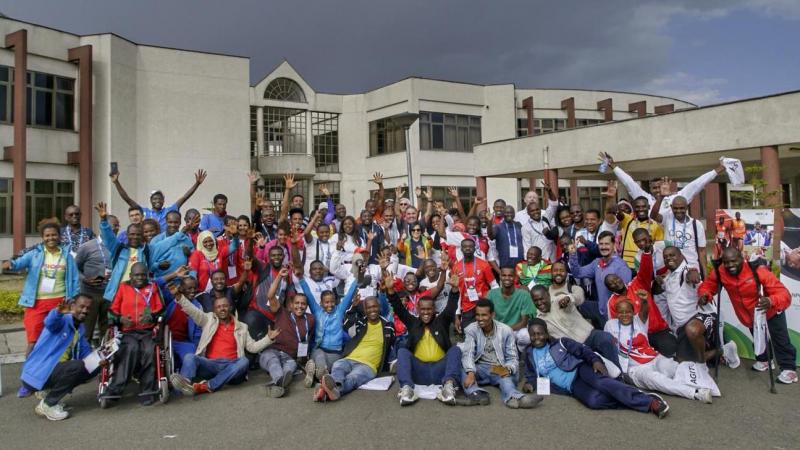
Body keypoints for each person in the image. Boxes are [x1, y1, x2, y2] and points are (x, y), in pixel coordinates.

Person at [524, 318, 670, 418]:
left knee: (603, 383)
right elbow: (531, 374)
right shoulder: (529, 353)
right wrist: (530, 384)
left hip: (580, 370)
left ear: (546, 333)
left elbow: (582, 350)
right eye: (533, 335)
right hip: (571, 386)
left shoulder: (561, 343)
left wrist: (595, 361)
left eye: (540, 333)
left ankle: (651, 403)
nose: (537, 337)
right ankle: (638, 399)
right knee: (594, 401)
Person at [698, 247, 797, 384]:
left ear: (742, 259)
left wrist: (770, 300)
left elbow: (783, 294)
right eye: (726, 262)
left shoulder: (757, 270)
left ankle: (789, 369)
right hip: (750, 314)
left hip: (770, 308)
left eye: (734, 261)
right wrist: (705, 295)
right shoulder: (720, 272)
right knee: (758, 337)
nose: (730, 265)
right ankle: (764, 361)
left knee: (780, 339)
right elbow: (708, 286)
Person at [604, 296, 714, 403]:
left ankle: (704, 384)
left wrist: (644, 300)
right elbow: (606, 346)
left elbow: (645, 310)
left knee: (677, 368)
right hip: (635, 369)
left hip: (655, 359)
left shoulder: (639, 320)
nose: (624, 315)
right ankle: (695, 393)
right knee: (658, 380)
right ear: (616, 313)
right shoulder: (610, 325)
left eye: (627, 311)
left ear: (633, 312)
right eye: (621, 312)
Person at [170, 292, 281, 396]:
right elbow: (193, 311)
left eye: (225, 306)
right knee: (190, 357)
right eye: (218, 307)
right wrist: (180, 297)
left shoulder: (242, 327)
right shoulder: (208, 320)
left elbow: (252, 347)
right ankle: (185, 384)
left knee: (244, 361)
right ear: (214, 310)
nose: (222, 309)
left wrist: (268, 339)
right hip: (211, 364)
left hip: (232, 365)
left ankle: (207, 386)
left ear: (230, 308)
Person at [2, 222, 80, 365]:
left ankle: (54, 376)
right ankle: (29, 379)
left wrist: (73, 301)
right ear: (42, 237)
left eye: (54, 234)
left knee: (59, 341)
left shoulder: (67, 255)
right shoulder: (35, 254)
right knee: (33, 341)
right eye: (47, 235)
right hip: (36, 304)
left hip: (60, 304)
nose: (51, 238)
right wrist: (9, 264)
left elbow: (74, 279)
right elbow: (18, 263)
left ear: (59, 236)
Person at [385, 271, 462, 406]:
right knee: (402, 351)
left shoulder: (441, 321)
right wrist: (390, 290)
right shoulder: (412, 322)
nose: (426, 313)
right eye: (423, 310)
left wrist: (455, 289)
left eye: (429, 309)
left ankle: (448, 387)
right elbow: (398, 308)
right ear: (417, 309)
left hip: (440, 370)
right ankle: (407, 389)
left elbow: (451, 307)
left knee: (455, 349)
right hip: (419, 372)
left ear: (434, 309)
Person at [19, 295, 100, 420]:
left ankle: (50, 393)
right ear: (72, 306)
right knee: (77, 366)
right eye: (82, 306)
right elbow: (50, 322)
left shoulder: (80, 328)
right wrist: (57, 312)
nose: (85, 310)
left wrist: (101, 358)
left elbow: (86, 353)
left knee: (93, 366)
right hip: (38, 373)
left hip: (54, 371)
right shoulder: (62, 320)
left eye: (88, 308)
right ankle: (48, 404)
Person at [529, 262, 621, 368]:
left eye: (542, 299)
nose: (540, 303)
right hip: (574, 349)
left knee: (606, 338)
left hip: (588, 336)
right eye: (536, 301)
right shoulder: (539, 320)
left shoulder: (559, 300)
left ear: (548, 295)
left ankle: (619, 375)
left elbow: (576, 298)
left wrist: (568, 299)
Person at [459, 299, 542, 409]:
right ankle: (476, 394)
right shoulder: (471, 329)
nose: (480, 319)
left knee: (505, 379)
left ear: (492, 315)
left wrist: (508, 369)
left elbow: (512, 357)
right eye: (477, 315)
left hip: (498, 367)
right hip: (480, 368)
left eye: (484, 315)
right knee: (463, 369)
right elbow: (468, 353)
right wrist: (470, 372)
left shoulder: (506, 330)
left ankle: (516, 398)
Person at [658, 246, 733, 365]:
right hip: (682, 326)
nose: (668, 258)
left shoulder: (685, 270)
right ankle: (719, 351)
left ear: (681, 256)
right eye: (665, 257)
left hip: (701, 316)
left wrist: (693, 274)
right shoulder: (668, 278)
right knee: (682, 362)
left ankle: (703, 359)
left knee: (692, 331)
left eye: (672, 255)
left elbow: (691, 272)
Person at [605, 231, 675, 356]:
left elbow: (644, 272)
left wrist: (647, 253)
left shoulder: (637, 284)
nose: (616, 283)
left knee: (672, 355)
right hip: (637, 338)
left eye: (616, 279)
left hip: (657, 332)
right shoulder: (611, 302)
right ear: (610, 288)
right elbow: (615, 326)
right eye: (612, 284)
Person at [103, 262, 165, 405]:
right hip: (128, 332)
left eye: (143, 275)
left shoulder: (153, 288)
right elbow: (112, 311)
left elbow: (162, 311)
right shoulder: (123, 287)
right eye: (137, 275)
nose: (140, 278)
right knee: (131, 349)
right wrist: (120, 319)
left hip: (147, 331)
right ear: (130, 276)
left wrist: (152, 317)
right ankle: (115, 389)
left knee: (149, 351)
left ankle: (147, 390)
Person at [317, 296, 395, 402]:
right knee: (338, 365)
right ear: (365, 310)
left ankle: (327, 391)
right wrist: (353, 307)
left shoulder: (388, 326)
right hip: (350, 358)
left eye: (374, 307)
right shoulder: (361, 323)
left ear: (379, 307)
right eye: (368, 308)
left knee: (353, 377)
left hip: (368, 365)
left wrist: (391, 363)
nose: (372, 310)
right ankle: (332, 390)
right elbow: (346, 325)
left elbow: (392, 346)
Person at [259, 268, 315, 398]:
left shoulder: (310, 319)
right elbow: (270, 296)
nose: (299, 306)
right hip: (272, 351)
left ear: (306, 306)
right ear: (291, 304)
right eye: (297, 303)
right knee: (273, 362)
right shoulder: (282, 313)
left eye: (303, 304)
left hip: (290, 357)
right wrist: (279, 276)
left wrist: (304, 358)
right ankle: (280, 380)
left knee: (289, 368)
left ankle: (278, 385)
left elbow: (308, 339)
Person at [297, 271, 359, 388]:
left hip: (335, 352)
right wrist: (300, 278)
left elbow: (350, 294)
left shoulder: (339, 311)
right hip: (319, 348)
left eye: (332, 301)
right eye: (326, 302)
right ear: (321, 303)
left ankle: (314, 373)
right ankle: (320, 375)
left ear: (336, 301)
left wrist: (358, 278)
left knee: (328, 367)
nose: (330, 304)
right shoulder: (317, 311)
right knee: (320, 358)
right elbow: (308, 294)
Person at [111, 169, 207, 230]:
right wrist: (116, 182)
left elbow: (185, 197)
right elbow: (127, 199)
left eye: (160, 199)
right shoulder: (144, 212)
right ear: (150, 200)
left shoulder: (170, 211)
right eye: (154, 199)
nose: (157, 201)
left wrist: (197, 184)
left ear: (163, 200)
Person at [73, 217, 118, 344]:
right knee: (87, 329)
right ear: (103, 227)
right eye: (112, 226)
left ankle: (104, 359)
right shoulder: (87, 247)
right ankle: (84, 359)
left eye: (117, 226)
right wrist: (85, 279)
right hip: (90, 294)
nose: (115, 228)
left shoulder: (118, 247)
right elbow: (75, 268)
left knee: (107, 329)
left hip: (110, 293)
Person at [568, 230, 630, 320]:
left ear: (613, 245)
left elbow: (626, 294)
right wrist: (573, 254)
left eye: (607, 244)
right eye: (601, 244)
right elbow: (578, 273)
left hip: (616, 315)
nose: (603, 247)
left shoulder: (621, 266)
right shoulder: (597, 262)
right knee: (573, 305)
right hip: (601, 310)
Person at [650, 184, 707, 271]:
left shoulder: (696, 225)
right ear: (671, 208)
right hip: (671, 268)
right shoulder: (668, 218)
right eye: (675, 208)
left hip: (692, 269)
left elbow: (702, 252)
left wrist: (705, 274)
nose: (678, 211)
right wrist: (661, 197)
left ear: (686, 208)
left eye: (681, 208)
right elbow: (653, 215)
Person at [156, 268, 203, 368]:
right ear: (181, 288)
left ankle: (183, 380)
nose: (193, 291)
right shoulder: (171, 297)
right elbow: (154, 284)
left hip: (184, 343)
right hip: (165, 340)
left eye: (195, 288)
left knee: (190, 358)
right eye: (189, 288)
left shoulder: (197, 306)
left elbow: (198, 332)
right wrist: (174, 275)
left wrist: (196, 348)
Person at [453, 238, 498, 333]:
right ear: (461, 249)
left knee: (487, 334)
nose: (468, 248)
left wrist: (494, 305)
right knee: (469, 336)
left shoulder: (484, 265)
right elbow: (457, 293)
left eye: (470, 246)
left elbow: (494, 286)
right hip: (466, 308)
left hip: (483, 306)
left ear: (475, 248)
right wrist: (457, 315)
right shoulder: (456, 267)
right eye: (465, 247)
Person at [487, 266, 536, 346]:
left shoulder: (523, 294)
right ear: (500, 276)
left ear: (515, 277)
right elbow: (488, 318)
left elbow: (524, 322)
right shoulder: (491, 294)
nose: (507, 278)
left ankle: (521, 352)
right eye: (504, 275)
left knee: (526, 336)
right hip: (496, 331)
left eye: (510, 276)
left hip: (516, 330)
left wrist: (506, 331)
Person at [150, 210, 196, 279]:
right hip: (162, 281)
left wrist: (189, 254)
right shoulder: (156, 240)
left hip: (182, 281)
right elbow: (149, 265)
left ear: (180, 222)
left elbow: (193, 263)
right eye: (170, 222)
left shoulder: (186, 240)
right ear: (166, 222)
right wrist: (158, 265)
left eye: (176, 222)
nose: (173, 225)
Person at [521, 182, 558, 262]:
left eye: (537, 209)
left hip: (552, 258)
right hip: (538, 261)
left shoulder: (546, 218)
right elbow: (527, 247)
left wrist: (550, 192)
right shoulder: (526, 227)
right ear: (528, 213)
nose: (535, 212)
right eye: (532, 211)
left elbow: (554, 205)